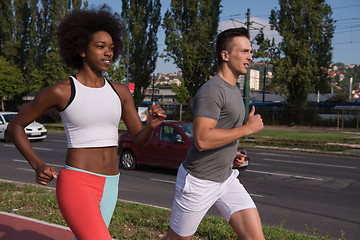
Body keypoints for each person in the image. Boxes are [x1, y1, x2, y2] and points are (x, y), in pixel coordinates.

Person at [8, 6, 166, 240]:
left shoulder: (120, 92)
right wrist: (37, 164)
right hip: (77, 183)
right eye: (100, 47)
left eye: (111, 48)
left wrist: (151, 125)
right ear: (82, 49)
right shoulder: (62, 91)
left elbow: (138, 140)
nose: (108, 53)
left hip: (111, 184)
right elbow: (15, 126)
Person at [164, 27, 265, 240]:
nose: (250, 56)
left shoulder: (233, 89)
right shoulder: (212, 91)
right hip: (200, 181)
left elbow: (224, 131)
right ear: (225, 55)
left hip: (226, 179)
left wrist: (231, 154)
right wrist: (248, 128)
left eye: (250, 51)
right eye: (245, 51)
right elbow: (201, 139)